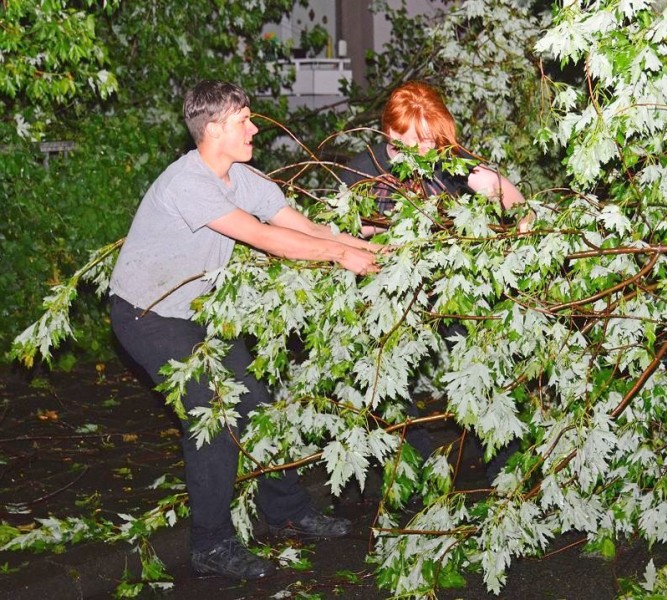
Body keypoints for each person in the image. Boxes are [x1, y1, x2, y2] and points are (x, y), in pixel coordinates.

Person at [108, 80, 382, 581]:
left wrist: (360, 244)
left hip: (196, 314)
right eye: (244, 120)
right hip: (147, 316)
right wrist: (342, 255)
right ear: (213, 129)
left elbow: (298, 225)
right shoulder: (187, 183)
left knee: (257, 404)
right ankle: (210, 546)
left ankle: (285, 511)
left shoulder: (243, 177)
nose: (255, 127)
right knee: (215, 413)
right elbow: (264, 238)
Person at [341, 80, 525, 483]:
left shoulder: (448, 158)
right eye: (416, 141)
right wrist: (373, 233)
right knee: (380, 383)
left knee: (481, 369)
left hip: (450, 284)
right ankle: (422, 465)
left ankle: (506, 470)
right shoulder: (364, 168)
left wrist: (507, 204)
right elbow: (340, 234)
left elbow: (512, 201)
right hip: (389, 291)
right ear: (391, 135)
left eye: (431, 140)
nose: (426, 150)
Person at [340, 80, 525, 233]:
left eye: (433, 139)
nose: (430, 146)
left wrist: (526, 220)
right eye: (421, 139)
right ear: (395, 134)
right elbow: (342, 231)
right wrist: (396, 222)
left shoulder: (443, 156)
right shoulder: (360, 170)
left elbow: (493, 182)